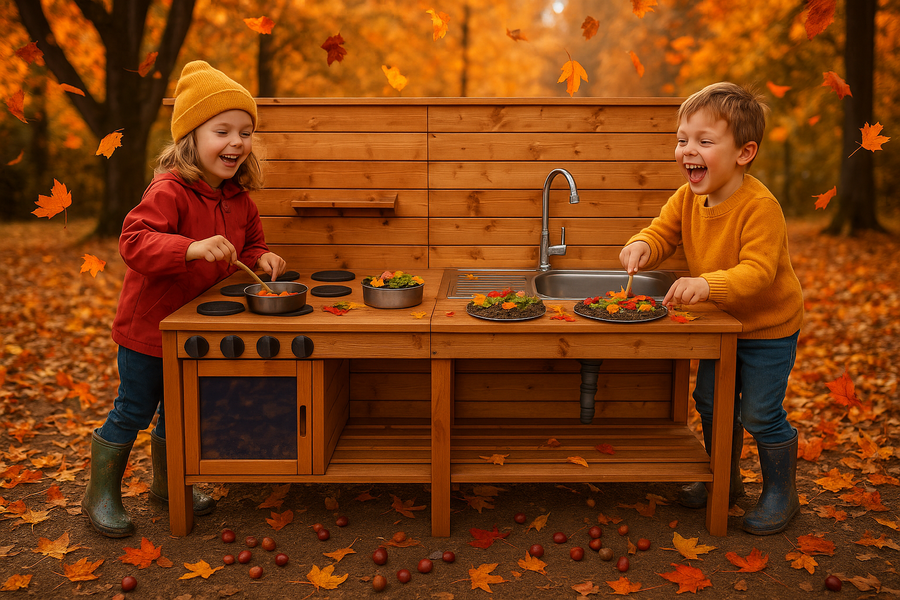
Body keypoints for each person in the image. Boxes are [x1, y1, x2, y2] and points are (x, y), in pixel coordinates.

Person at [82, 61, 286, 537]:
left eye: (246, 132)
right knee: (134, 409)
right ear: (190, 137)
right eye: (222, 131)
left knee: (179, 409)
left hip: (194, 327)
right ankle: (101, 493)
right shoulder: (169, 190)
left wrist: (264, 258)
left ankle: (169, 484)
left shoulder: (239, 200)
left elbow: (250, 244)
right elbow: (134, 241)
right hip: (148, 331)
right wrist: (189, 248)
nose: (236, 142)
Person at [619, 82, 804, 535]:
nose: (688, 150)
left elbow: (758, 272)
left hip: (767, 328)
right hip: (723, 329)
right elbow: (663, 231)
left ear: (744, 152)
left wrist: (706, 283)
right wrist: (643, 245)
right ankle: (725, 478)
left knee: (760, 412)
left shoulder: (760, 207)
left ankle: (782, 492)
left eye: (704, 141)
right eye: (683, 139)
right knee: (711, 402)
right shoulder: (687, 197)